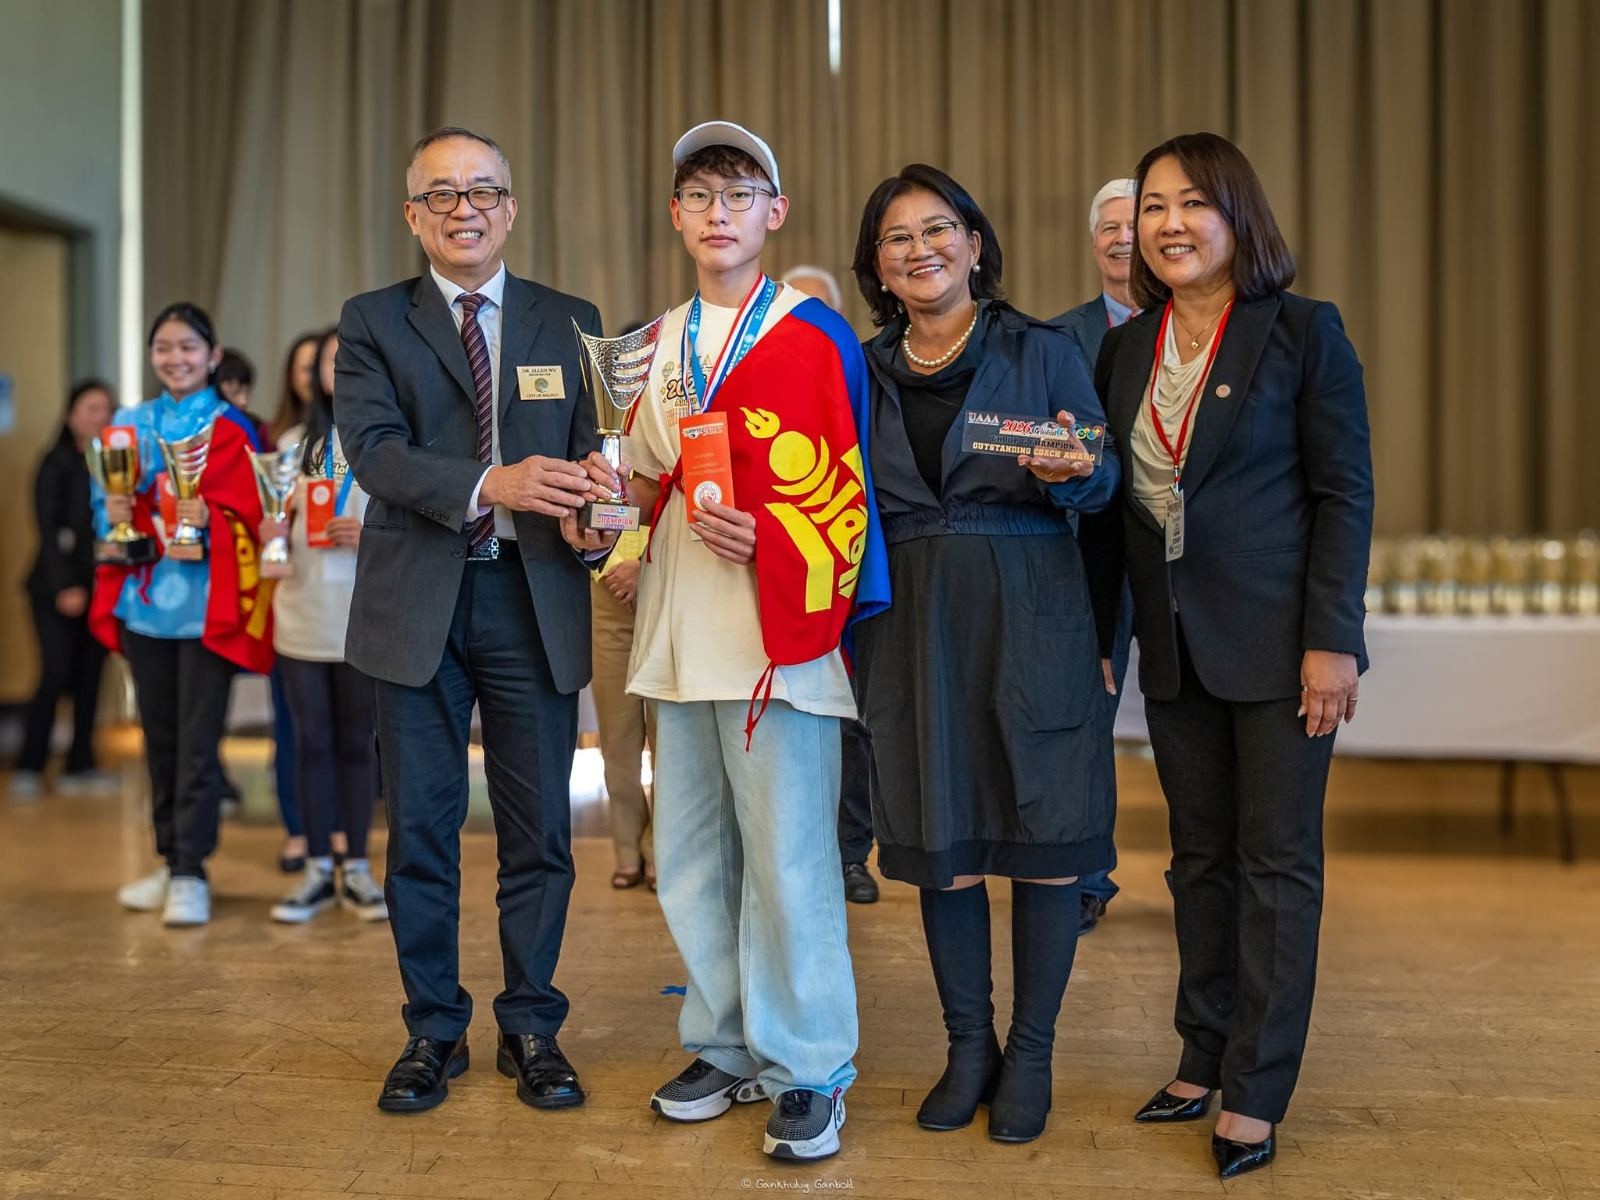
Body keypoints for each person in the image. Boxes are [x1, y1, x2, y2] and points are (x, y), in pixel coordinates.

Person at [1079, 132, 1372, 1180]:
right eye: (1151, 207)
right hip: (1173, 647)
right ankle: (1200, 1053)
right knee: (1196, 861)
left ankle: (1256, 1088)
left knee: (1277, 868)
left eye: (1191, 203)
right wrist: (1104, 638)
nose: (1167, 224)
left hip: (1283, 646)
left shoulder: (1299, 332)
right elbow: (1114, 512)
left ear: (1236, 215)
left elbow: (1344, 494)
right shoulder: (1124, 349)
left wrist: (1333, 640)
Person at [334, 126, 615, 1116]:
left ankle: (532, 1023)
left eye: (483, 190)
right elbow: (373, 452)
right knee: (421, 830)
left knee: (540, 833)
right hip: (415, 602)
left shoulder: (569, 320)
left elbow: (594, 456)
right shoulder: (372, 321)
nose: (465, 208)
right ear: (413, 214)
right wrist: (492, 480)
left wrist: (598, 520)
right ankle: (432, 1031)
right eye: (442, 194)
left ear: (511, 208)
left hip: (531, 598)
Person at [623, 121, 887, 1162]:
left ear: (773, 213)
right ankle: (725, 1042)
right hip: (679, 634)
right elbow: (644, 479)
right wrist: (605, 513)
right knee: (689, 858)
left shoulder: (812, 335)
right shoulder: (652, 344)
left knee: (788, 865)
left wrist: (768, 532)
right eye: (699, 196)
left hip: (779, 642)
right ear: (678, 216)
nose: (718, 213)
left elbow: (848, 494)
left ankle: (811, 1065)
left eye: (740, 194)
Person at [848, 163, 1119, 1144]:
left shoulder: (1041, 350)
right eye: (895, 237)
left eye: (937, 229)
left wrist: (1080, 470)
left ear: (973, 243)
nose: (918, 249)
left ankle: (1032, 1053)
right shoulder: (863, 368)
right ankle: (969, 1049)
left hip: (1034, 609)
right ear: (875, 266)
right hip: (909, 619)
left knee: (1045, 843)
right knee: (943, 841)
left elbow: (1100, 475)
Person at [90, 302, 273, 926]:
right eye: (164, 348)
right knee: (159, 741)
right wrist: (113, 509)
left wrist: (212, 519)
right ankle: (170, 860)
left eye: (188, 347)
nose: (176, 359)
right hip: (145, 607)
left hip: (208, 611)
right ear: (151, 357)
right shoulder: (128, 424)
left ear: (213, 356)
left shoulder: (235, 429)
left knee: (199, 743)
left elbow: (257, 517)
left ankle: (192, 869)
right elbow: (104, 511)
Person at [267, 328, 386, 924]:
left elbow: (417, 523)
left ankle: (359, 869)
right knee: (310, 743)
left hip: (363, 616)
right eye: (323, 362)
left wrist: (372, 537)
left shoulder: (388, 440)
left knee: (357, 745)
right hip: (303, 611)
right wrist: (271, 539)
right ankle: (317, 867)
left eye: (344, 358)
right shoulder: (290, 445)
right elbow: (271, 530)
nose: (333, 369)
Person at [1050, 177, 1141, 934]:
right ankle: (1086, 875)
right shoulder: (1058, 338)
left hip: (1184, 561)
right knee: (1085, 719)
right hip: (1086, 557)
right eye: (1107, 226)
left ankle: (1204, 869)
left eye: (1132, 223)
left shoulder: (1204, 329)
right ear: (1094, 243)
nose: (1121, 237)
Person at [779, 264, 879, 906]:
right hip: (780, 580)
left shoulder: (855, 371)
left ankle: (849, 855)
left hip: (846, 569)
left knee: (853, 729)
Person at [13, 380, 116, 800]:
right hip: (54, 590)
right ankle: (30, 765)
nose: (99, 417)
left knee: (91, 676)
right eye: (91, 408)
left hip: (100, 587)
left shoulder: (112, 464)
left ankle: (81, 764)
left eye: (106, 410)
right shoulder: (55, 463)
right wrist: (65, 586)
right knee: (55, 673)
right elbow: (49, 531)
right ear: (71, 414)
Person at [216, 343, 301, 851]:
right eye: (225, 389)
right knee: (288, 712)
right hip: (258, 586)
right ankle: (292, 821)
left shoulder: (266, 437)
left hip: (296, 587)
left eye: (241, 388)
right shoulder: (270, 442)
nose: (234, 398)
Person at [591, 523, 655, 890]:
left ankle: (661, 849)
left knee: (671, 740)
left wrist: (643, 565)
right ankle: (627, 848)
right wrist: (611, 563)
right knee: (618, 739)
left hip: (671, 583)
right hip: (605, 583)